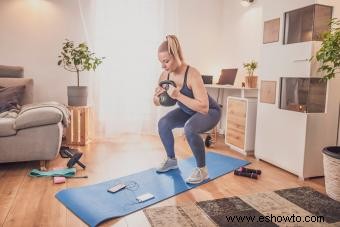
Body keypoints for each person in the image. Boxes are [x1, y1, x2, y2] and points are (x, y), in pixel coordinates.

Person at [153, 35, 221, 184]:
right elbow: (155, 102)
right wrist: (158, 97)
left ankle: (202, 170)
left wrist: (177, 95)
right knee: (163, 123)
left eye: (166, 61)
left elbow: (203, 107)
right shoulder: (165, 74)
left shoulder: (192, 74)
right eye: (161, 62)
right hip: (187, 111)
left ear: (176, 55)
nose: (163, 66)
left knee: (189, 128)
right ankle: (171, 160)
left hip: (210, 112)